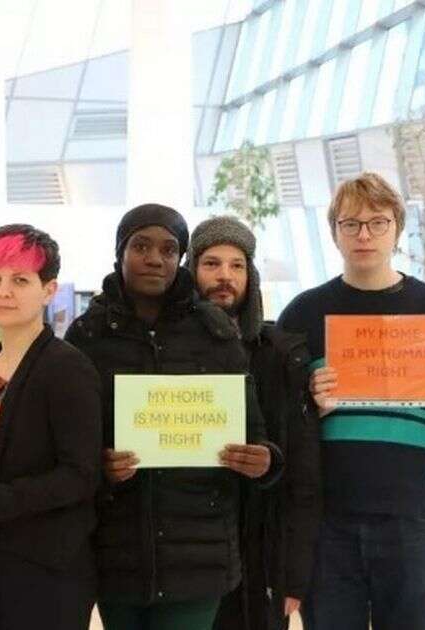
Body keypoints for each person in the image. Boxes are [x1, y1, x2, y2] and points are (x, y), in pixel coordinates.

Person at [277, 173, 425, 630]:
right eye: (350, 223)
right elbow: (277, 420)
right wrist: (309, 406)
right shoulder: (303, 313)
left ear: (397, 229)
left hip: (415, 514)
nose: (363, 235)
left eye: (377, 223)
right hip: (330, 517)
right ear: (333, 231)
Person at [65, 204, 273, 630]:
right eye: (140, 245)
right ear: (119, 253)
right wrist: (102, 468)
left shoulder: (216, 332)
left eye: (168, 248)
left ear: (181, 259)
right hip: (116, 550)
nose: (154, 258)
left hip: (199, 554)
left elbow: (258, 435)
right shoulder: (87, 336)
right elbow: (69, 445)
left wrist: (265, 460)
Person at [0, 224, 101, 630]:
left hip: (39, 579)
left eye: (20, 280)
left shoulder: (66, 368)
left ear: (48, 290)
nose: (3, 291)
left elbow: (81, 476)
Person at [187, 217, 322, 630]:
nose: (224, 276)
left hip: (261, 555)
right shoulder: (166, 352)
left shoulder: (279, 355)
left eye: (237, 265)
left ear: (251, 275)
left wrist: (294, 576)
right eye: (211, 263)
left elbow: (303, 471)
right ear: (191, 271)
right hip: (189, 551)